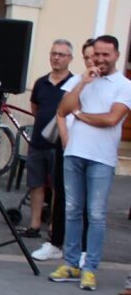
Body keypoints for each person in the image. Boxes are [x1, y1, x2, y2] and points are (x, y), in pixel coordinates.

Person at [49, 35, 131, 291]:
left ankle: (90, 268)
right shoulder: (80, 80)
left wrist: (81, 115)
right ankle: (71, 263)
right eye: (97, 54)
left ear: (117, 55)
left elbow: (111, 119)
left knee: (95, 215)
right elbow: (63, 110)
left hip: (101, 158)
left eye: (106, 54)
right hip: (74, 152)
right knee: (72, 211)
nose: (100, 59)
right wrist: (83, 83)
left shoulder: (124, 85)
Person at [33, 38, 94, 263]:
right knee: (61, 196)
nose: (91, 61)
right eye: (87, 57)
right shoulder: (77, 81)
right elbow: (62, 112)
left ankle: (85, 249)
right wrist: (66, 141)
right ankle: (55, 242)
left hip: (92, 149)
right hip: (68, 146)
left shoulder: (110, 84)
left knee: (88, 202)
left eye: (93, 56)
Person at [19, 40, 73, 240]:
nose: (56, 57)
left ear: (70, 59)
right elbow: (35, 109)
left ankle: (54, 227)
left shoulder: (73, 84)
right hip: (38, 142)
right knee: (36, 183)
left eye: (61, 54)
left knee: (58, 187)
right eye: (54, 53)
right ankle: (34, 224)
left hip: (60, 144)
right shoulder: (41, 82)